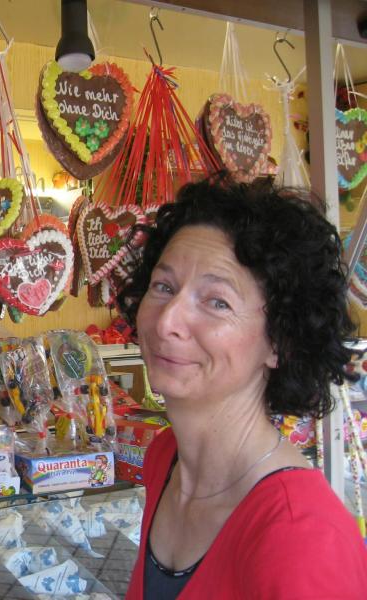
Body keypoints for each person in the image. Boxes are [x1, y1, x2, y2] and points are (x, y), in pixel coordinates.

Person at [117, 176, 367, 598]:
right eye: (164, 287)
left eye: (217, 302)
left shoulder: (303, 537)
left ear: (280, 341)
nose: (167, 321)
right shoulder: (165, 457)